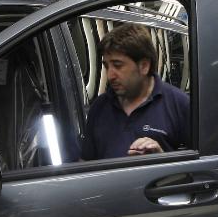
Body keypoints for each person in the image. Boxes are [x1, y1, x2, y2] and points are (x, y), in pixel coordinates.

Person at [81, 23, 189, 160]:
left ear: (144, 66)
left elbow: (202, 167)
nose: (110, 75)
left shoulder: (179, 105)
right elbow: (86, 162)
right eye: (107, 66)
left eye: (118, 66)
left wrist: (162, 158)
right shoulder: (99, 107)